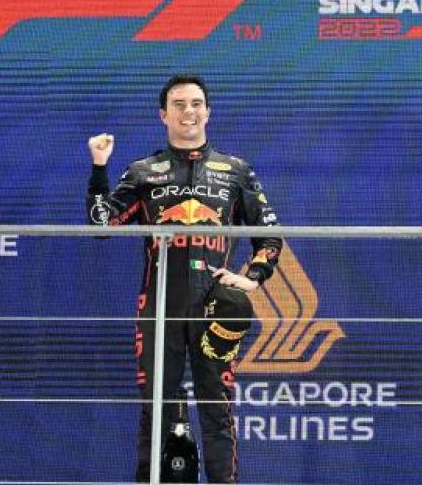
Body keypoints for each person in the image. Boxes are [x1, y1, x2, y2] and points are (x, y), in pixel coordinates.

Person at [87, 74, 282, 483]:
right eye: (179, 104)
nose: (188, 111)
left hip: (216, 304)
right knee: (158, 406)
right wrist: (99, 167)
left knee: (217, 407)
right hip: (159, 302)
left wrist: (254, 276)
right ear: (164, 114)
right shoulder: (144, 171)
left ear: (208, 111)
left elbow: (269, 232)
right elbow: (101, 224)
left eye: (196, 103)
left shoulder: (236, 170)